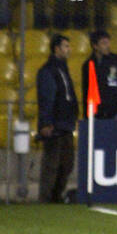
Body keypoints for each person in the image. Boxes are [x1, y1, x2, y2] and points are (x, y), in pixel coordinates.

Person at [36, 33, 78, 203]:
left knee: (67, 163)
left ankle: (56, 196)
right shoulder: (48, 70)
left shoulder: (63, 69)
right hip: (55, 124)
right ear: (56, 48)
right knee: (51, 164)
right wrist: (46, 122)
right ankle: (45, 198)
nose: (69, 50)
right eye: (66, 46)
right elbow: (47, 97)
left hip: (66, 124)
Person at [82, 29, 117, 119]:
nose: (107, 46)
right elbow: (86, 90)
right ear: (95, 46)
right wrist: (87, 115)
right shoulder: (88, 65)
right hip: (97, 113)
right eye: (104, 43)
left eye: (108, 42)